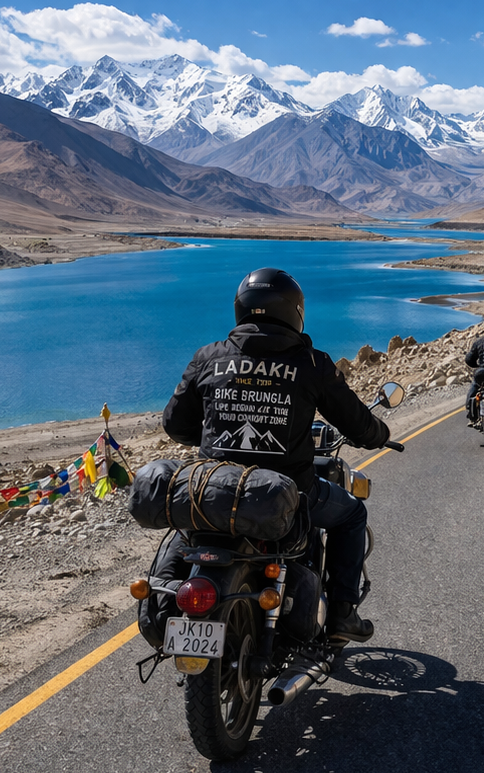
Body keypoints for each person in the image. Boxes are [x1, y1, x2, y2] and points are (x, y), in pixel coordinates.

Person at [158, 267, 390, 643]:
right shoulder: (312, 364)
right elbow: (360, 425)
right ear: (294, 311)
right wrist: (380, 433)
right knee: (351, 514)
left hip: (213, 490)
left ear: (241, 309)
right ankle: (343, 614)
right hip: (288, 493)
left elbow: (175, 426)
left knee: (185, 530)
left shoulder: (208, 357)